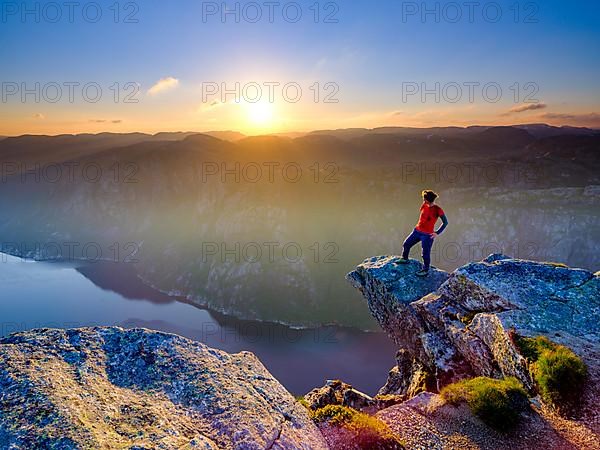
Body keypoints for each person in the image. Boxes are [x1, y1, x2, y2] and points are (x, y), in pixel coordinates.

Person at [397, 190, 448, 276]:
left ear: (428, 200)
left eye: (424, 199)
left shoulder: (437, 209)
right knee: (406, 244)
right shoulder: (424, 205)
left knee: (425, 253)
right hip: (417, 231)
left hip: (427, 235)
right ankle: (405, 258)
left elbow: (445, 222)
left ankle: (425, 270)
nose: (423, 200)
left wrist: (437, 233)